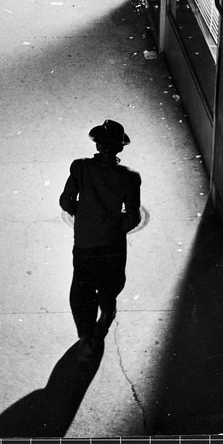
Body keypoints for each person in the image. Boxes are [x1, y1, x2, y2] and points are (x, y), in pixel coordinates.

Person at [59, 119, 142, 346]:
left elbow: (66, 201)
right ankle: (107, 312)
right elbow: (133, 216)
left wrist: (84, 219)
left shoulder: (80, 168)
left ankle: (85, 334)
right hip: (112, 244)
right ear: (121, 147)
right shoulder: (130, 177)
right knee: (110, 282)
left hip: (85, 241)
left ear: (97, 146)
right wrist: (113, 229)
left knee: (82, 285)